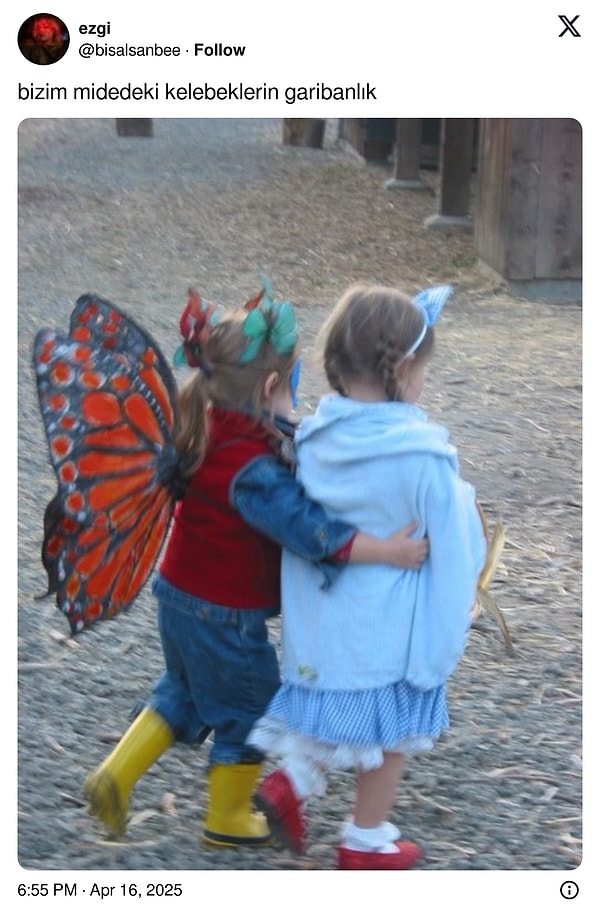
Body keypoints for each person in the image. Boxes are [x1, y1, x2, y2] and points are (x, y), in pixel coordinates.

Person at [83, 284, 429, 849]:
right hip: (224, 615)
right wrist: (386, 550)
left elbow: (282, 440)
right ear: (271, 388)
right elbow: (310, 532)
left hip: (177, 597)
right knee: (251, 708)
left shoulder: (208, 427)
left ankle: (115, 773)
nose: (296, 400)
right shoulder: (254, 468)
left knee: (183, 691)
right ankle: (227, 818)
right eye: (292, 387)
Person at [248, 283, 488, 870]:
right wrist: (458, 608)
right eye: (422, 370)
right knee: (390, 736)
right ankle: (365, 838)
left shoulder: (313, 440)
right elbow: (455, 544)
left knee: (331, 711)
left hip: (321, 624)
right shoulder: (422, 457)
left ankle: (291, 782)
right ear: (403, 370)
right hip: (388, 634)